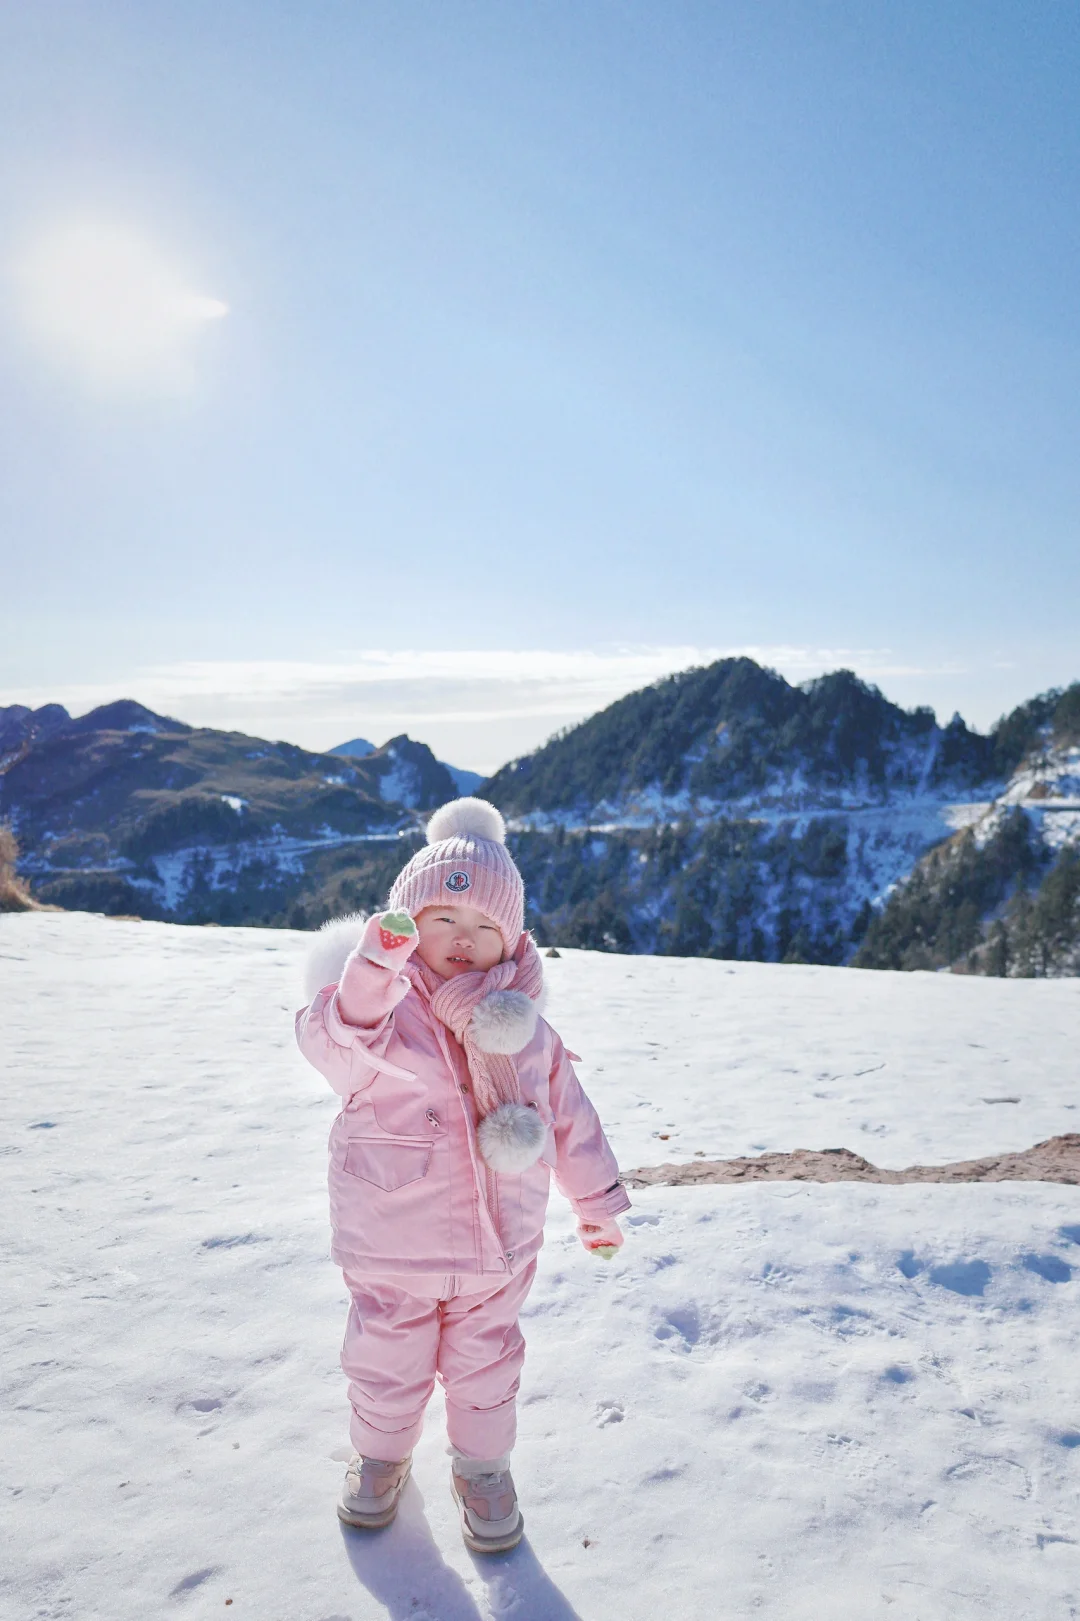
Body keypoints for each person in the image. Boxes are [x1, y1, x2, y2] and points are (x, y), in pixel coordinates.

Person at [295, 797, 630, 1554]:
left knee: (488, 1362)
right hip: (394, 1243)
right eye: (443, 917)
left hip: (497, 1248)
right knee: (386, 1360)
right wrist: (373, 967)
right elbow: (333, 1039)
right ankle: (379, 1456)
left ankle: (483, 1468)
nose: (463, 938)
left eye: (486, 927)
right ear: (407, 922)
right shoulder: (373, 1012)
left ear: (510, 942)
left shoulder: (523, 1028)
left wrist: (596, 1204)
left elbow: (570, 1117)